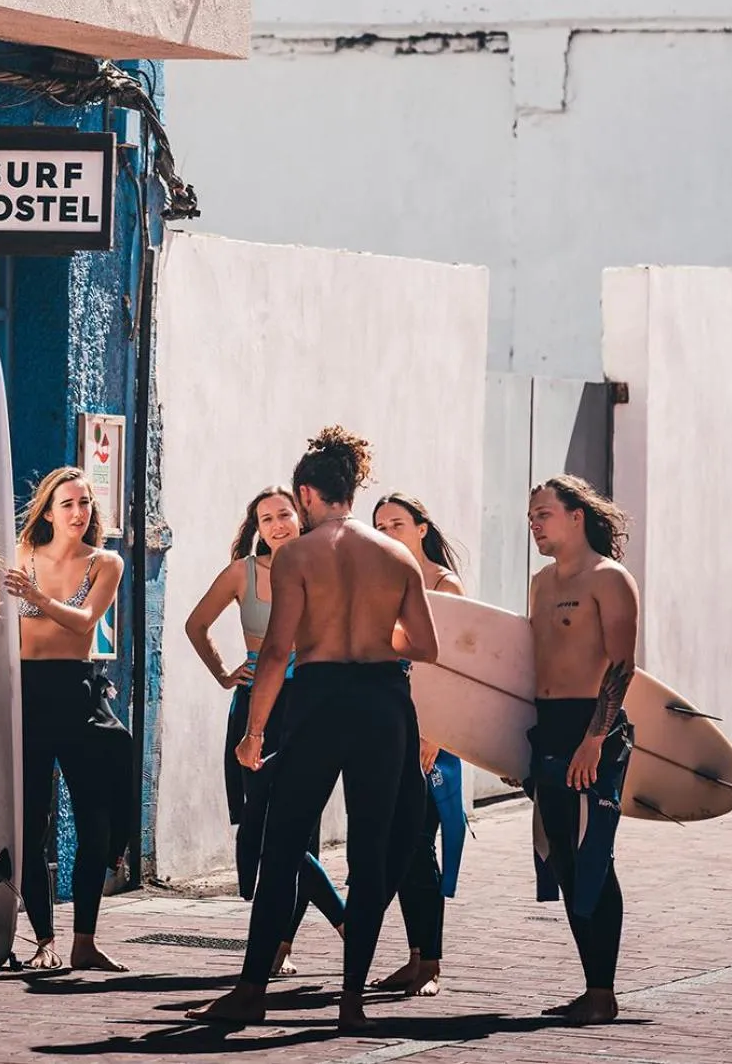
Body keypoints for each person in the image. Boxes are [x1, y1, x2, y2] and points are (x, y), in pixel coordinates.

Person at [191, 427, 438, 1034]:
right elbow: (426, 646)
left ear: (306, 492)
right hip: (383, 702)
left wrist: (252, 734)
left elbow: (276, 652)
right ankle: (350, 1000)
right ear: (351, 490)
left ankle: (251, 990)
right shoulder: (397, 555)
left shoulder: (299, 555)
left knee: (284, 843)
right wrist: (377, 640)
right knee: (371, 845)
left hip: (318, 699)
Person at [184, 485, 346, 975]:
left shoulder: (326, 564)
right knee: (265, 825)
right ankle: (344, 921)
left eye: (284, 514)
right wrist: (223, 673)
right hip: (257, 707)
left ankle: (282, 947)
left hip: (311, 703)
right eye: (265, 518)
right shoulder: (242, 573)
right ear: (256, 528)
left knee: (301, 828)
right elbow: (197, 625)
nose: (276, 525)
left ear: (302, 516)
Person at [5, 466, 132, 974]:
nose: (79, 513)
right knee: (32, 821)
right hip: (28, 695)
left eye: (85, 504)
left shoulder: (106, 562)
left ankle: (85, 939)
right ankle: (43, 938)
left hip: (78, 692)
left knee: (94, 822)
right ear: (49, 510)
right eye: (68, 504)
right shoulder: (20, 556)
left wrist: (37, 599)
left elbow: (85, 621)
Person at [527, 474, 639, 1028]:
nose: (535, 525)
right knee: (561, 860)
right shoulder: (540, 583)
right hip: (547, 728)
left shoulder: (609, 579)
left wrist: (595, 738)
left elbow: (621, 666)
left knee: (593, 856)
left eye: (544, 514)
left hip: (592, 727)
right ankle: (592, 986)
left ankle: (603, 990)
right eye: (531, 518)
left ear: (577, 516)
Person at [372, 493, 467, 998]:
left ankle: (430, 962)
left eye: (398, 523)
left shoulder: (442, 583)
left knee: (417, 844)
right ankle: (415, 957)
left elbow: (452, 667)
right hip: (391, 727)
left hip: (431, 734)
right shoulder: (383, 580)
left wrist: (435, 734)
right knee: (401, 845)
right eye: (380, 525)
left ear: (422, 528)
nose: (388, 532)